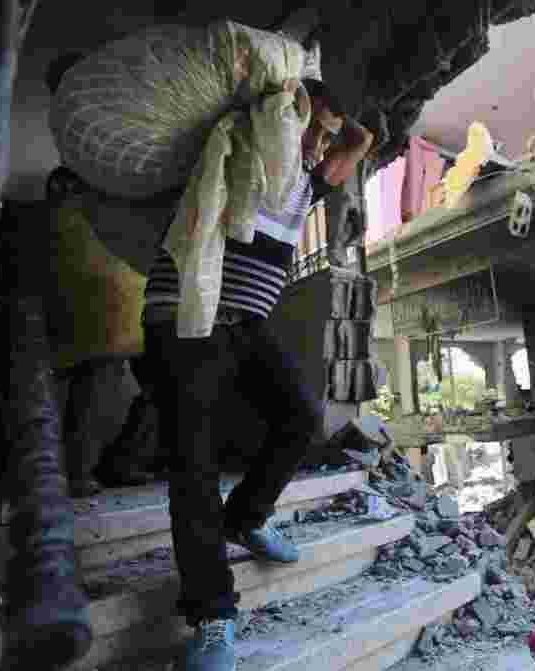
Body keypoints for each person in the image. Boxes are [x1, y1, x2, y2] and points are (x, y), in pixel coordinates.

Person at [141, 78, 374, 671]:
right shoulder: (228, 157)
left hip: (245, 321)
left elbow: (360, 141)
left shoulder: (302, 186)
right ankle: (214, 617)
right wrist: (283, 104)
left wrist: (327, 121)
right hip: (185, 319)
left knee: (299, 418)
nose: (318, 145)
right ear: (277, 120)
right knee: (192, 463)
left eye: (322, 137)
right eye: (310, 130)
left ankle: (244, 519)